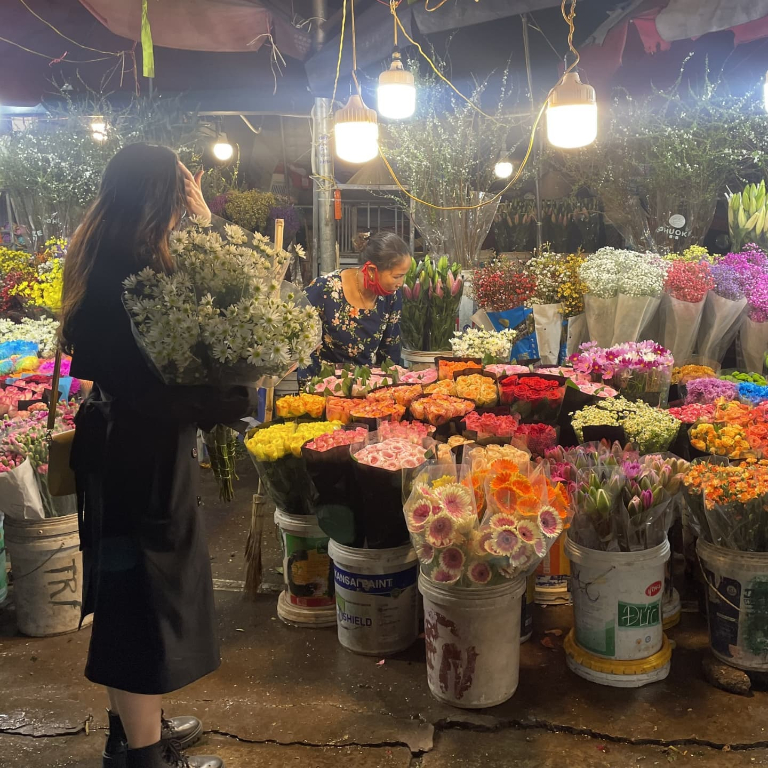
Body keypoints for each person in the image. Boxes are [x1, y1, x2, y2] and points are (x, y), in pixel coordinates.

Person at [61, 143, 258, 768]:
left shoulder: (104, 251)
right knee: (142, 599)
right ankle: (144, 756)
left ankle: (134, 733)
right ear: (157, 198)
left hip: (122, 447)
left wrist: (203, 224)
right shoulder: (133, 275)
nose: (183, 204)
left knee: (133, 591)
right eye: (178, 192)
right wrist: (222, 401)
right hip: (139, 458)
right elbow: (158, 383)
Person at [301, 231, 410, 379]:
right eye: (397, 276)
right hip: (321, 387)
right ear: (371, 270)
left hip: (366, 387)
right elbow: (302, 347)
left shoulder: (391, 296)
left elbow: (390, 351)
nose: (401, 283)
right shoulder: (324, 289)